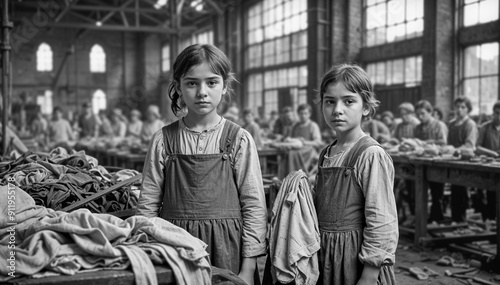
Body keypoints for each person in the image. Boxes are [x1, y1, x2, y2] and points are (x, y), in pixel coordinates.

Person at [136, 44, 267, 285]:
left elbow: (254, 206)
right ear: (178, 86)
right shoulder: (163, 140)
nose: (202, 92)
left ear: (225, 85)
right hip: (175, 248)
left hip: (227, 249)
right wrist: (148, 255)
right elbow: (148, 205)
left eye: (212, 82)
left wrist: (248, 269)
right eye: (192, 83)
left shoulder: (239, 139)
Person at [315, 63, 397, 284]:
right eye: (330, 101)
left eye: (349, 101)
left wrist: (370, 274)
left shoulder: (370, 154)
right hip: (328, 256)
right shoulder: (327, 152)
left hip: (355, 261)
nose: (337, 110)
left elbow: (382, 219)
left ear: (366, 107)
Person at [414, 100, 447, 223]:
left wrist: (425, 143)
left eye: (422, 113)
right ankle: (419, 217)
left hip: (436, 162)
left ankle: (437, 218)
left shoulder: (439, 125)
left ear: (430, 112)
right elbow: (415, 143)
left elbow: (443, 142)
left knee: (436, 192)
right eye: (417, 114)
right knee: (416, 190)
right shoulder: (418, 127)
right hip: (421, 162)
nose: (419, 117)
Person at [448, 96, 478, 223]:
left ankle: (461, 220)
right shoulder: (452, 124)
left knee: (462, 192)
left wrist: (455, 150)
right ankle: (456, 220)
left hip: (465, 160)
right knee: (454, 191)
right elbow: (449, 143)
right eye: (457, 107)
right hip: (453, 161)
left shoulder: (470, 124)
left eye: (463, 107)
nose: (459, 110)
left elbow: (470, 145)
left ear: (468, 109)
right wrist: (447, 149)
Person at [475, 101, 500, 221]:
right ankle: (489, 220)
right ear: (493, 113)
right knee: (488, 195)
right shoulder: (485, 127)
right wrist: (493, 153)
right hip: (486, 167)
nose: (499, 117)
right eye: (497, 113)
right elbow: (477, 147)